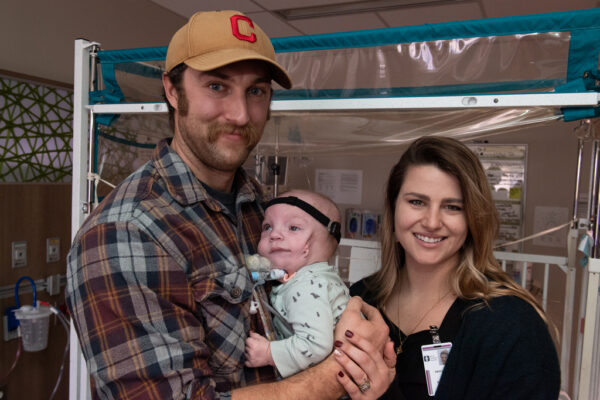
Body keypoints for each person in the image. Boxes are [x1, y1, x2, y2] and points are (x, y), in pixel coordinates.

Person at [65, 9, 395, 400]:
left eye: (256, 91)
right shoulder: (126, 235)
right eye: (217, 86)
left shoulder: (259, 206)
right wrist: (339, 374)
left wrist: (362, 342)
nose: (240, 114)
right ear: (173, 91)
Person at [350, 136, 561, 399]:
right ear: (394, 209)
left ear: (473, 219)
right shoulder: (359, 300)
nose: (432, 222)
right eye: (417, 202)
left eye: (452, 207)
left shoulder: (511, 325)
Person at [244, 189, 350, 378]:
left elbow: (316, 346)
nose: (274, 235)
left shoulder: (307, 286)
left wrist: (268, 353)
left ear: (324, 242)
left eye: (293, 228)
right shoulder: (314, 278)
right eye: (267, 227)